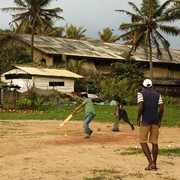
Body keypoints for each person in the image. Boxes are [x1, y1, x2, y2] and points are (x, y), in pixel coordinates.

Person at [137, 79, 164, 171]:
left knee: (142, 141)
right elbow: (161, 108)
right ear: (152, 86)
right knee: (154, 142)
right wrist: (159, 120)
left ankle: (150, 162)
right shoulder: (158, 94)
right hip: (155, 120)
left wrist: (138, 118)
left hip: (145, 120)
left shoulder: (141, 93)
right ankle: (154, 164)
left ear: (143, 86)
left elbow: (141, 106)